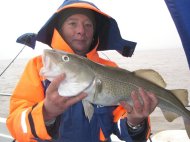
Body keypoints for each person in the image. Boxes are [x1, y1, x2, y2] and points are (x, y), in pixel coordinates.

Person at [6, 0, 158, 142]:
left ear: (94, 32)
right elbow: (15, 123)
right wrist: (46, 113)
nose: (81, 31)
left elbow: (120, 125)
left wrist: (135, 122)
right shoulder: (37, 66)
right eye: (72, 23)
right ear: (60, 29)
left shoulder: (111, 69)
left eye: (88, 25)